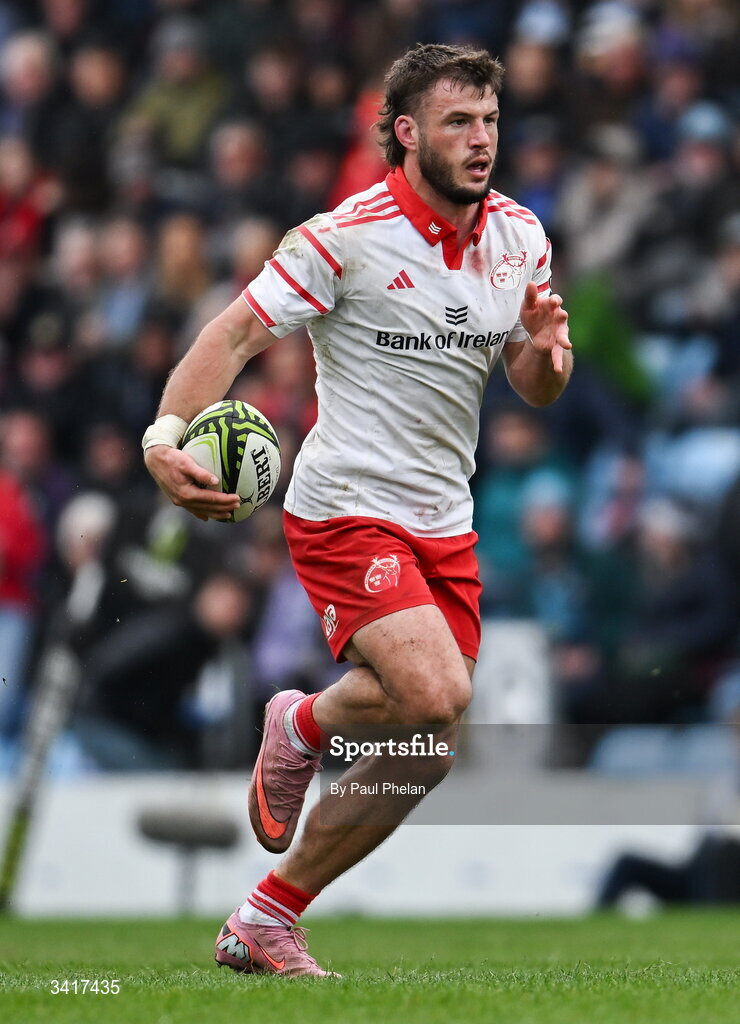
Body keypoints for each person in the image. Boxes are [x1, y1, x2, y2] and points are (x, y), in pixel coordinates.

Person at [143, 43, 572, 977]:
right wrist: (164, 436)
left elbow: (535, 385)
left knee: (427, 746)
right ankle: (301, 731)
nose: (483, 139)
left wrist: (544, 350)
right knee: (438, 695)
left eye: (492, 120)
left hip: (442, 519)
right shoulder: (345, 235)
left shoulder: (520, 239)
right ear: (408, 133)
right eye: (460, 121)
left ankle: (267, 911)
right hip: (345, 505)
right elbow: (234, 332)